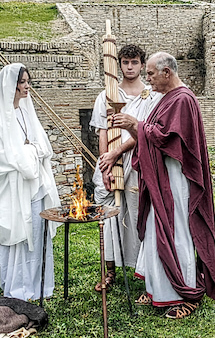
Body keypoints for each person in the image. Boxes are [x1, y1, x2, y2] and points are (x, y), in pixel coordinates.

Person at [111, 52, 215, 319]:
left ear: (167, 73)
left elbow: (169, 140)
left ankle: (184, 293)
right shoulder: (167, 98)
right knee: (155, 228)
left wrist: (134, 124)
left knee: (177, 230)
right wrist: (135, 127)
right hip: (161, 177)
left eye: (150, 74)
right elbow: (153, 132)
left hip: (176, 178)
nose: (147, 80)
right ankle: (158, 288)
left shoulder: (183, 99)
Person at [0, 63, 60, 301]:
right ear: (9, 86)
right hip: (11, 193)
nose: (26, 87)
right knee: (19, 237)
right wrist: (29, 154)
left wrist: (29, 152)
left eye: (27, 82)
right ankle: (18, 288)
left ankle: (39, 285)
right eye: (21, 83)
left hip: (33, 189)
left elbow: (44, 147)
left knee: (36, 233)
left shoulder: (26, 113)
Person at [89, 44, 161, 292]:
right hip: (111, 161)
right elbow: (103, 131)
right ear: (118, 64)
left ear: (142, 65)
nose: (130, 67)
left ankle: (143, 269)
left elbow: (145, 132)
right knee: (109, 218)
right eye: (125, 62)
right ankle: (108, 271)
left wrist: (118, 151)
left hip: (138, 161)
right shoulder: (107, 95)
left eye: (135, 62)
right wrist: (105, 163)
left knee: (139, 214)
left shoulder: (152, 96)